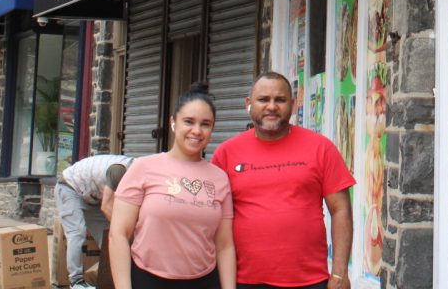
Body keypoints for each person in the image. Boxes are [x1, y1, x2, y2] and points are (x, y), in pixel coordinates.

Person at [212, 72, 354, 289]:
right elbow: (210, 217)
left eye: (279, 100)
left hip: (309, 280)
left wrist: (340, 273)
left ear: (293, 104)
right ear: (248, 104)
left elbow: (341, 210)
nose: (271, 106)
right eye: (263, 99)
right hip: (243, 280)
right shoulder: (226, 153)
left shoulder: (321, 148)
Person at [109, 84, 235, 289]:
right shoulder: (143, 167)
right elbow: (119, 234)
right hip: (147, 279)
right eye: (189, 121)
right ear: (173, 122)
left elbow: (225, 245)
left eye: (205, 124)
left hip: (204, 281)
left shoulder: (219, 178)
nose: (197, 130)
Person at [57, 154, 133, 289]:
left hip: (93, 196)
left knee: (108, 236)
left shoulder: (138, 175)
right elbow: (106, 206)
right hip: (70, 188)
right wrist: (122, 229)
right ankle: (75, 281)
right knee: (77, 232)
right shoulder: (119, 170)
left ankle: (113, 276)